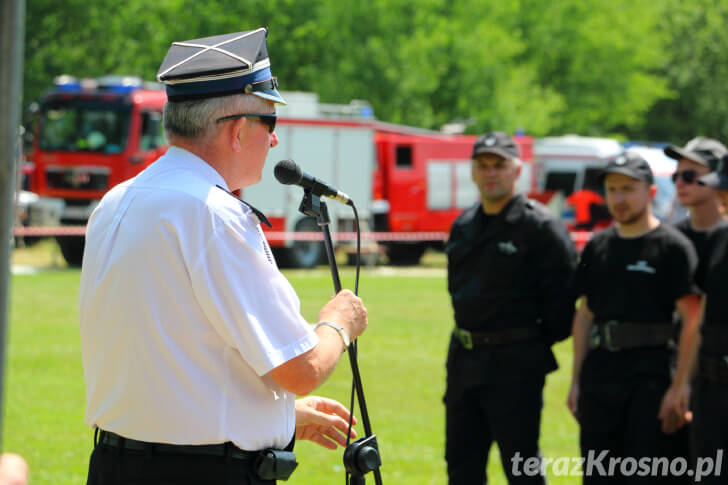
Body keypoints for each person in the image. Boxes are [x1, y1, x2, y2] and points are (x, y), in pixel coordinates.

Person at [79, 28, 368, 485]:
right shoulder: (214, 214)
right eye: (270, 122)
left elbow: (170, 358)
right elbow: (301, 369)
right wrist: (339, 322)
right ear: (238, 130)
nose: (274, 141)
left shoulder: (117, 201)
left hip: (118, 464)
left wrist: (278, 415)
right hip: (203, 472)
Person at [445, 131, 578, 484]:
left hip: (515, 364)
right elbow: (456, 289)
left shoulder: (541, 227)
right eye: (483, 165)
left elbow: (563, 307)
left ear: (517, 170)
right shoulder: (463, 225)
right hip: (464, 359)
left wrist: (525, 343)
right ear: (473, 171)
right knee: (461, 466)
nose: (491, 173)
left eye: (499, 165)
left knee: (521, 466)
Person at [567, 152, 701, 484]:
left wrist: (680, 385)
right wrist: (576, 379)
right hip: (601, 377)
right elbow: (585, 315)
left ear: (651, 193)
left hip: (652, 379)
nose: (619, 198)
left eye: (628, 188)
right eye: (612, 190)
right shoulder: (598, 247)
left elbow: (692, 321)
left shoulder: (672, 247)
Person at [664, 156, 728, 484]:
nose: (721, 197)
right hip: (710, 384)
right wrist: (685, 381)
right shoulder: (721, 240)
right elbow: (700, 316)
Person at [664, 137, 728, 287]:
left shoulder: (724, 238)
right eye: (675, 176)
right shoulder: (669, 238)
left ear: (716, 177)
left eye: (689, 176)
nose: (679, 183)